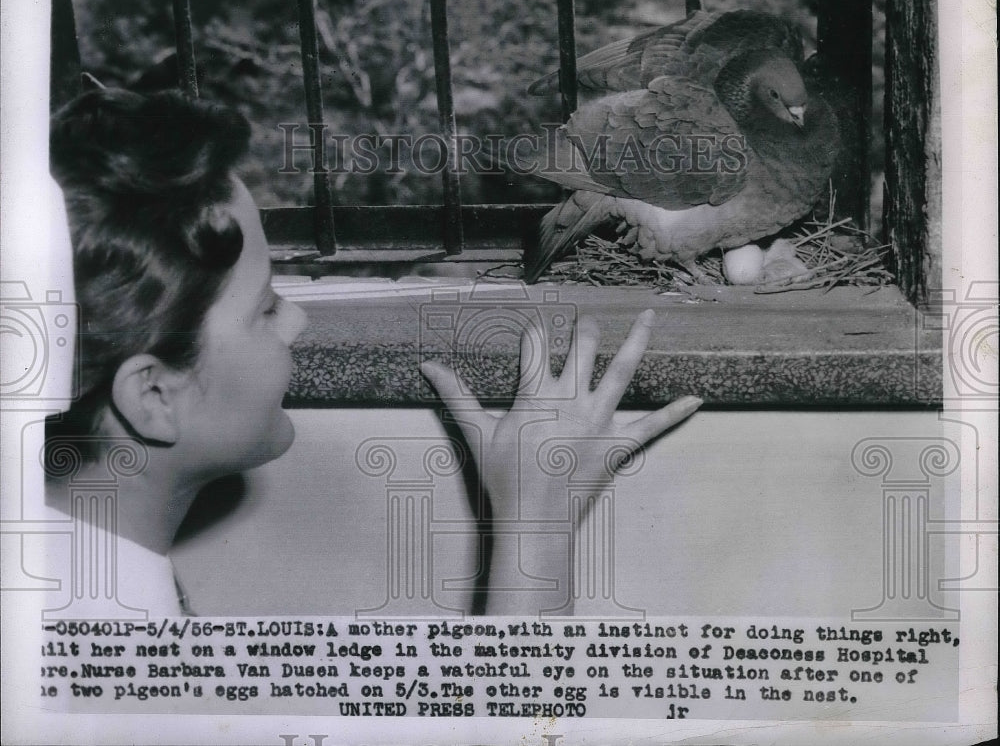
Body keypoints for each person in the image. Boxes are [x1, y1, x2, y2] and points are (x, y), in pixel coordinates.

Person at [45, 87, 701, 615]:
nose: (296, 321)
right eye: (265, 308)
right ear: (154, 395)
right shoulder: (107, 643)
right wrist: (537, 519)